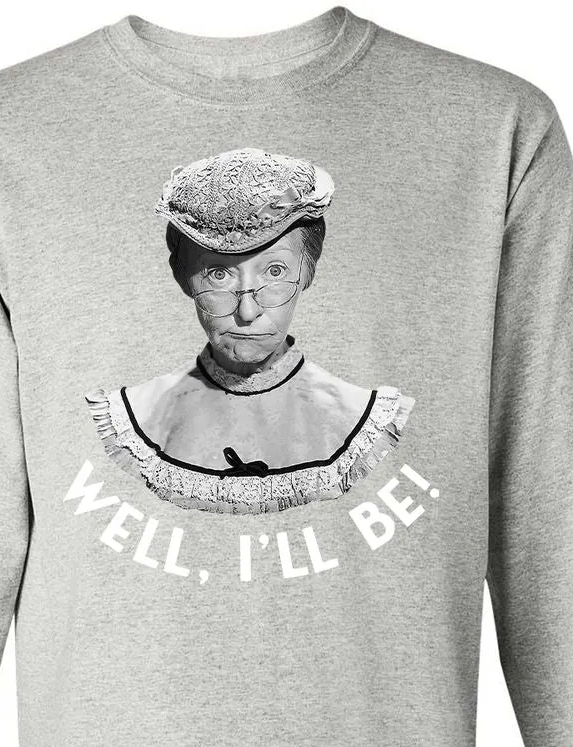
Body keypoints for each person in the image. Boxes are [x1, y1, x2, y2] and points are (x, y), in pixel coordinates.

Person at [85, 146, 416, 515]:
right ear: (183, 278)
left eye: (274, 272)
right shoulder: (141, 416)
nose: (247, 311)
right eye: (219, 274)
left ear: (308, 271)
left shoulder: (356, 419)